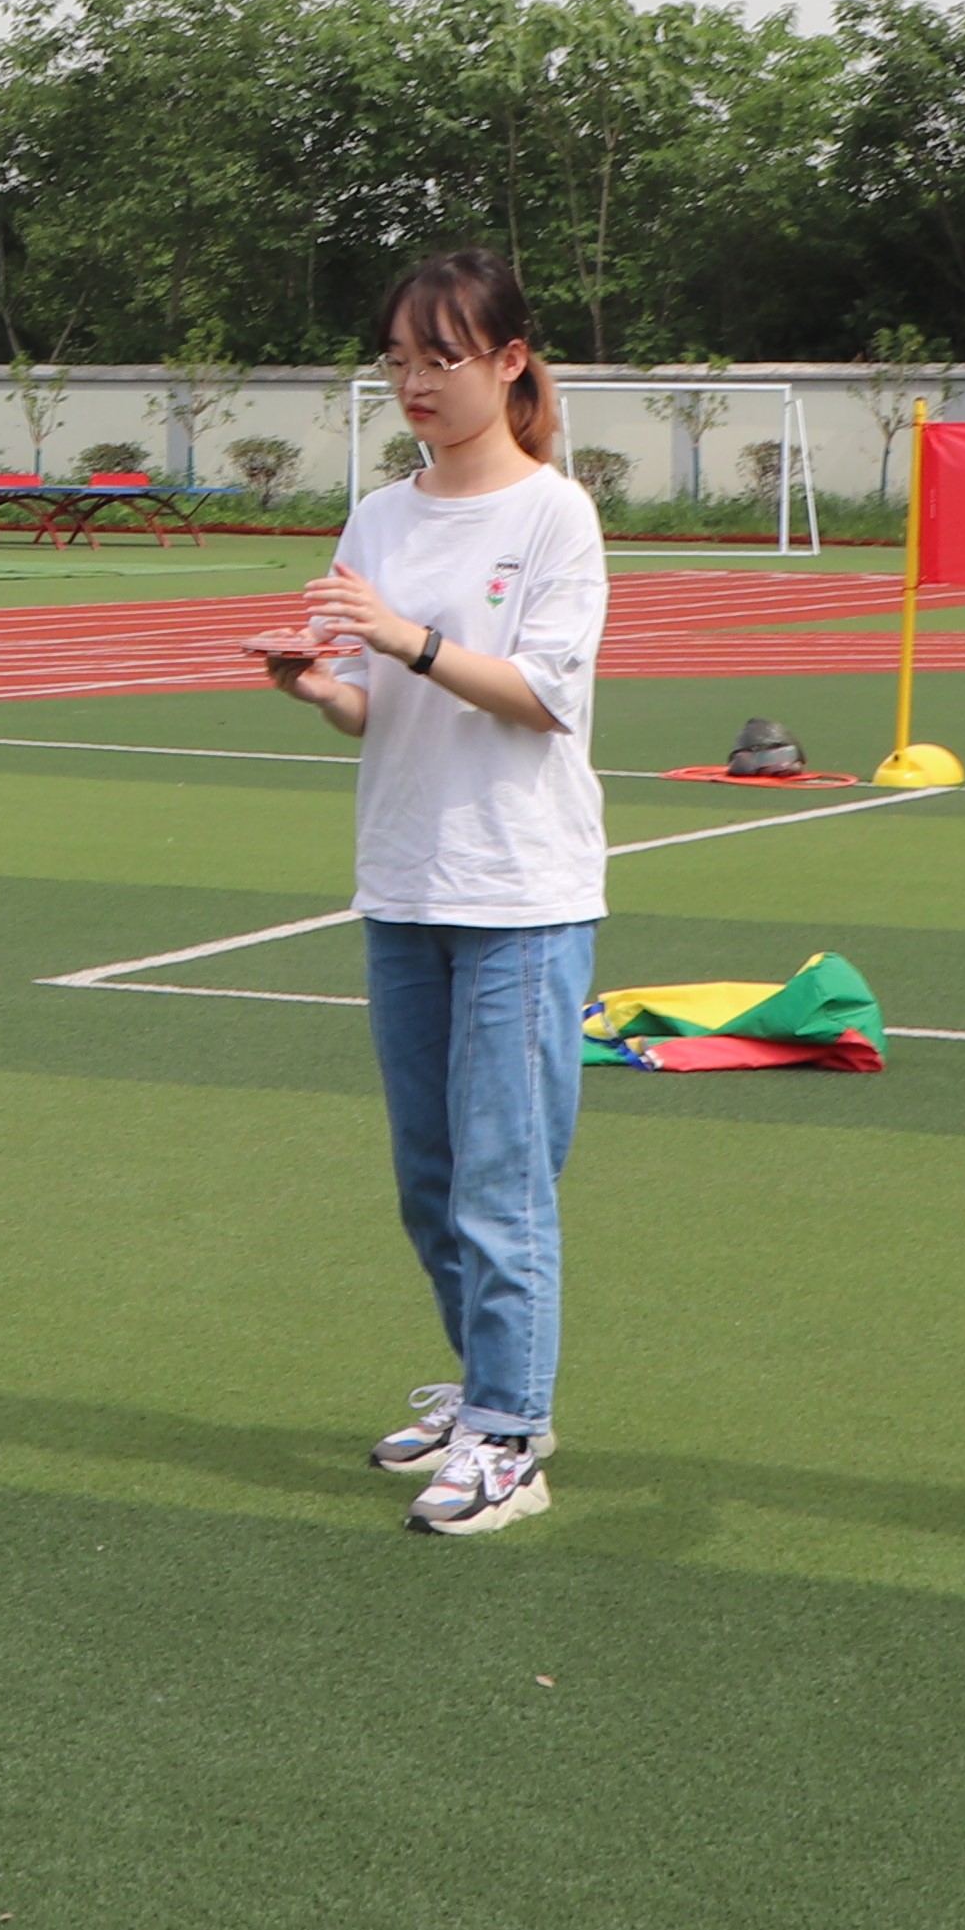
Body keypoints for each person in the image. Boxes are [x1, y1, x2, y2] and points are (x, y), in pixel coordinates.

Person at [253, 248, 606, 1538]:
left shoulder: (554, 514)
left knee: (504, 1181)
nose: (414, 382)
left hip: (520, 888)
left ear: (509, 361)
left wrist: (404, 637)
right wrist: (322, 685)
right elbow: (375, 705)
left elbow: (543, 697)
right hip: (405, 881)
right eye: (397, 359)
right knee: (431, 1175)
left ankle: (510, 1435)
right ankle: (491, 1394)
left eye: (439, 358)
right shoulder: (381, 517)